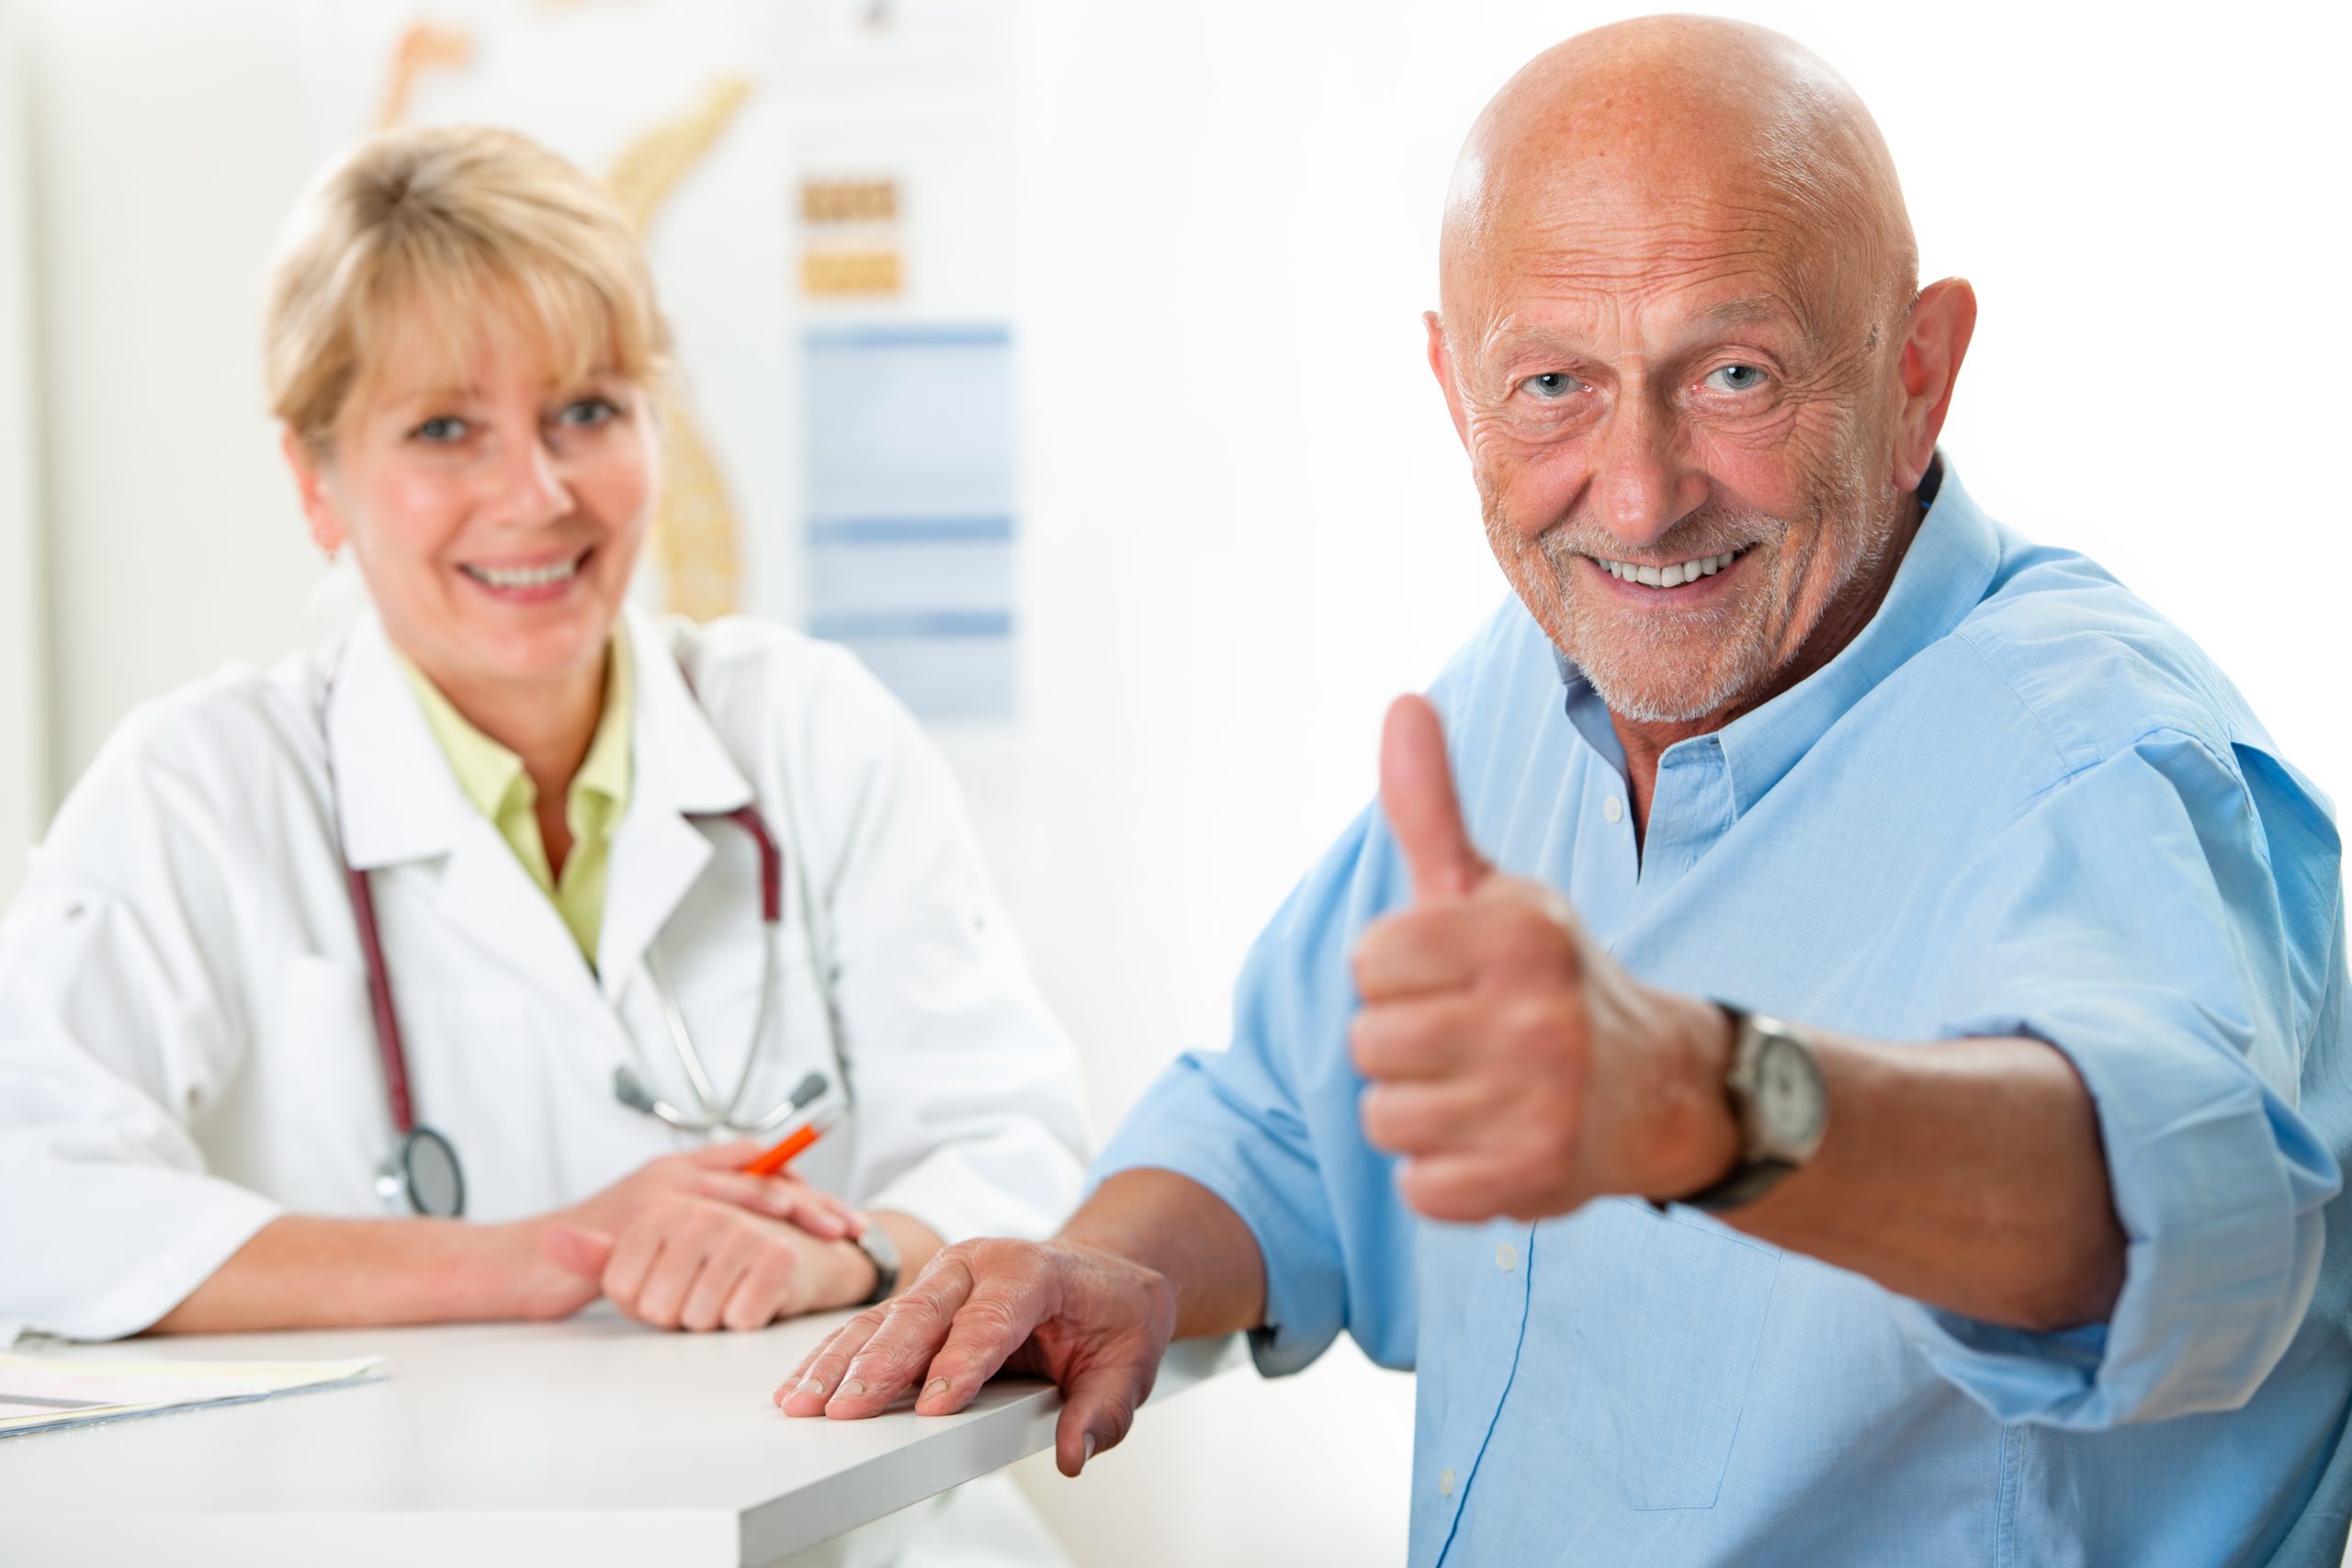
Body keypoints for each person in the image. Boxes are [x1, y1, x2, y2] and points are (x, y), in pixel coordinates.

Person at [777, 17, 2352, 1565]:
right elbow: (1286, 1123)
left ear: (1921, 371)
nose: (1641, 490)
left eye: (1735, 373)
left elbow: (2174, 1218)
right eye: (1553, 385)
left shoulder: (2107, 765)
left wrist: (1701, 1097)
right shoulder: (1534, 692)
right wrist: (1112, 1263)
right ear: (1455, 386)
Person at [0, 125, 1084, 1565]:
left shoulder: (811, 731)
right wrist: (537, 1254)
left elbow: (1021, 1159)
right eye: (445, 429)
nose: (538, 493)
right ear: (316, 478)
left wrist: (848, 1249)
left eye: (586, 409)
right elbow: (41, 1203)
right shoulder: (199, 787)